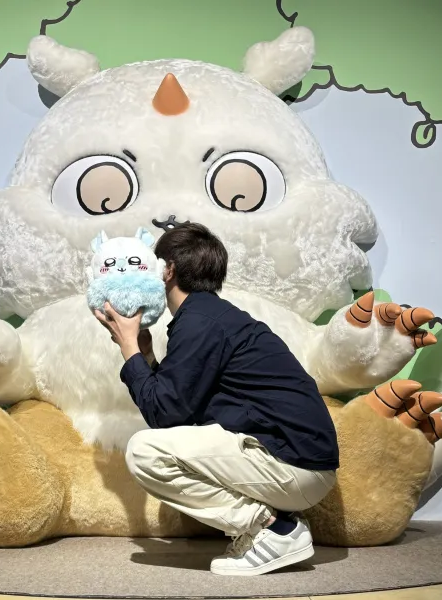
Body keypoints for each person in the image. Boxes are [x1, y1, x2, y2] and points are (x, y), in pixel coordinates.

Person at [94, 223, 338, 577]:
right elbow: (180, 409)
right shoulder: (209, 317)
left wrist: (128, 346)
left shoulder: (200, 322)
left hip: (295, 466)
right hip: (299, 463)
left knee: (144, 452)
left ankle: (275, 529)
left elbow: (164, 414)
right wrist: (144, 355)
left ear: (167, 270)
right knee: (165, 443)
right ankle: (270, 528)